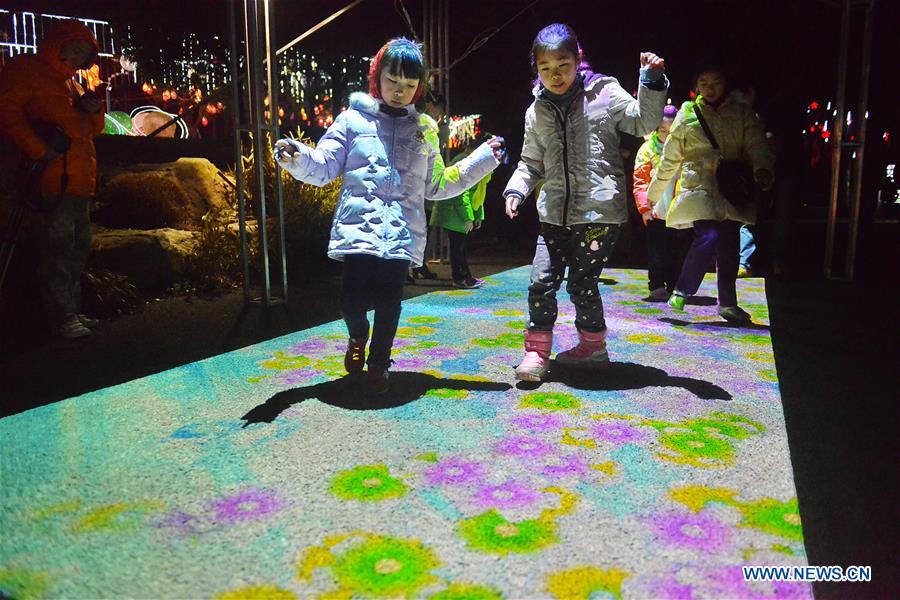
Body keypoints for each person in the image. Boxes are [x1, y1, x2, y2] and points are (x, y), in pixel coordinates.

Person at [274, 37, 502, 395]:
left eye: (410, 85)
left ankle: (379, 363)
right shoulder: (351, 120)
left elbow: (438, 184)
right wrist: (296, 156)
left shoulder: (424, 127)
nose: (400, 91)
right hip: (358, 229)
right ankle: (357, 336)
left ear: (418, 87)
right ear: (376, 78)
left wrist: (483, 158)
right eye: (393, 82)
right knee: (351, 300)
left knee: (389, 302)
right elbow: (323, 166)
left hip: (401, 233)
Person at [503, 23, 668, 381]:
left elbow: (644, 122)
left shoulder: (604, 92)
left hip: (597, 214)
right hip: (552, 214)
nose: (555, 75)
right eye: (545, 68)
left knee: (582, 283)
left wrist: (651, 81)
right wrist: (516, 189)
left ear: (578, 59)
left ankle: (592, 347)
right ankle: (536, 352)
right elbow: (531, 162)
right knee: (541, 282)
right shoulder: (536, 110)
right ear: (536, 69)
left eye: (562, 65)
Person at [0, 20, 105, 339]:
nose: (77, 58)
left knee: (77, 248)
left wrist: (93, 110)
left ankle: (71, 311)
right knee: (57, 251)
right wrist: (38, 151)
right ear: (58, 44)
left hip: (77, 184)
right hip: (50, 183)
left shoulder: (71, 84)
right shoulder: (27, 70)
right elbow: (6, 110)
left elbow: (94, 131)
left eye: (83, 53)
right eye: (74, 49)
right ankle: (62, 318)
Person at [647, 64, 774, 323]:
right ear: (696, 86)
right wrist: (655, 191)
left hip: (731, 187)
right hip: (698, 188)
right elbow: (670, 156)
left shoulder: (741, 113)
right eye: (703, 82)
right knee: (709, 234)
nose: (710, 88)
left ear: (725, 83)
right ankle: (682, 289)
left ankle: (728, 303)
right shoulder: (687, 113)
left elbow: (756, 144)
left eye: (715, 81)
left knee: (729, 246)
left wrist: (762, 168)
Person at [633, 103, 690, 301]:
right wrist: (644, 208)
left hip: (679, 209)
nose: (666, 134)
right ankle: (656, 285)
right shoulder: (648, 149)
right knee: (657, 250)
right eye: (662, 130)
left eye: (671, 130)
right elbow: (640, 180)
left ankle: (676, 284)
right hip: (656, 209)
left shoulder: (686, 147)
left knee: (678, 250)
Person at [430, 144, 493, 288]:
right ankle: (460, 278)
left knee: (461, 245)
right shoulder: (467, 162)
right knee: (458, 245)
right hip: (453, 209)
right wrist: (468, 217)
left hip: (459, 210)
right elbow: (462, 193)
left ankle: (465, 276)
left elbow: (477, 193)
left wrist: (478, 215)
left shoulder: (479, 163)